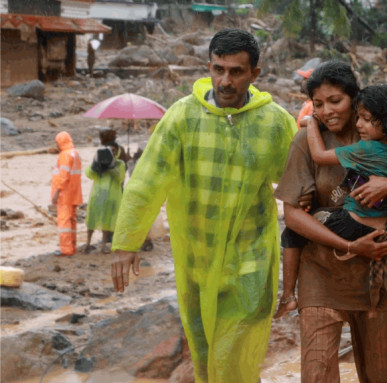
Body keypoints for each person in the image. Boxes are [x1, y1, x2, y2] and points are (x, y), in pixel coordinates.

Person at [109, 28, 297, 383]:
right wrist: (125, 243)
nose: (225, 80)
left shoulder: (272, 122)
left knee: (233, 351)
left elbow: (302, 178)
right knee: (205, 354)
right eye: (218, 69)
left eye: (236, 72)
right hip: (196, 258)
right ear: (208, 67)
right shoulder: (182, 117)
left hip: (251, 257)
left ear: (255, 74)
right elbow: (147, 180)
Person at [274, 60, 387, 382]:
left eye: (335, 101)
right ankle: (290, 296)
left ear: (355, 98)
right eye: (318, 104)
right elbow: (291, 215)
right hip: (321, 273)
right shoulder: (307, 141)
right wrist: (349, 245)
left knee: (385, 375)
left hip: (378, 277)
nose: (326, 111)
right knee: (317, 375)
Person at [274, 84, 387, 319]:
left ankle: (288, 297)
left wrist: (311, 123)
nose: (358, 124)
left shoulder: (367, 149)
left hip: (352, 225)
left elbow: (319, 156)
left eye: (365, 119)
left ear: (386, 122)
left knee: (295, 228)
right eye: (359, 118)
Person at [83, 143, 126, 254]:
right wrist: (95, 162)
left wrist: (110, 167)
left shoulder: (120, 164)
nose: (113, 153)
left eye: (115, 151)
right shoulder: (99, 163)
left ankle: (103, 245)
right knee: (92, 219)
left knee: (107, 221)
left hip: (112, 198)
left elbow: (120, 177)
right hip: (97, 195)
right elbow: (89, 174)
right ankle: (88, 243)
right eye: (111, 150)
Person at [51, 131, 83, 256]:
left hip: (65, 194)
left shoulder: (64, 155)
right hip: (75, 193)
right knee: (72, 221)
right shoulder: (75, 153)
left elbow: (63, 177)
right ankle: (72, 246)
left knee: (64, 223)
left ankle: (66, 249)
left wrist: (56, 193)